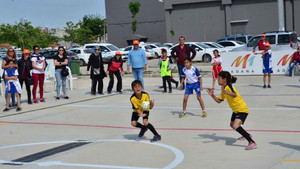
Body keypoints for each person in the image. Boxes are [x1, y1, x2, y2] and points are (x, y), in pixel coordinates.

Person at [206, 71, 257, 150]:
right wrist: (212, 95)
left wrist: (226, 92)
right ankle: (246, 134)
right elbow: (219, 101)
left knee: (235, 125)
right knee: (232, 124)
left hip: (241, 109)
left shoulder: (228, 87)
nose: (217, 79)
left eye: (219, 78)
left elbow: (234, 94)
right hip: (236, 110)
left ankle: (251, 142)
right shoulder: (223, 89)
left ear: (224, 79)